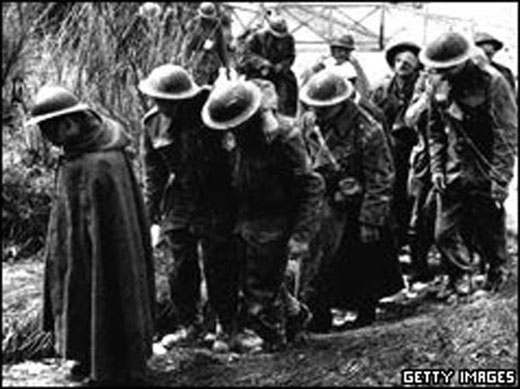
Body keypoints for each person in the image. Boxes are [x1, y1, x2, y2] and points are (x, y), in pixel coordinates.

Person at [27, 85, 155, 386]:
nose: (51, 139)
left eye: (51, 130)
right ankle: (87, 354)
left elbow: (106, 217)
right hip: (78, 243)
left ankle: (111, 363)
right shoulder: (86, 148)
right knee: (82, 283)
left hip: (103, 245)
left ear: (69, 122)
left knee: (107, 281)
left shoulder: (99, 161)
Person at [202, 78, 325, 352]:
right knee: (245, 279)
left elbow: (311, 185)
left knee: (260, 288)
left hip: (274, 219)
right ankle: (293, 316)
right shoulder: (230, 135)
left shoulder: (283, 135)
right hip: (244, 216)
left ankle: (272, 345)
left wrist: (301, 235)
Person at [299, 71, 404, 332]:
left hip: (357, 205)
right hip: (323, 204)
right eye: (316, 107)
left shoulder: (367, 129)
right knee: (317, 261)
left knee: (362, 260)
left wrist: (371, 219)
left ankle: (364, 314)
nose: (319, 112)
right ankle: (318, 315)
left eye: (325, 108)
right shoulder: (308, 123)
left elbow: (381, 177)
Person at [139, 64, 236, 345]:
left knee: (219, 262)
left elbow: (237, 153)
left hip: (217, 195)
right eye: (157, 100)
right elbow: (153, 175)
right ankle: (188, 325)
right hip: (180, 196)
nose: (162, 106)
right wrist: (147, 217)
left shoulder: (213, 109)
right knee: (178, 264)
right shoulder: (153, 123)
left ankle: (225, 325)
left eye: (168, 102)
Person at [419, 31, 517, 296]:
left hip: (483, 168)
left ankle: (498, 272)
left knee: (489, 228)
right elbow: (435, 130)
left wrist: (500, 178)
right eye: (439, 68)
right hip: (452, 169)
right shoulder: (437, 83)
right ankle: (460, 275)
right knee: (443, 233)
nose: (443, 73)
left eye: (449, 67)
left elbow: (507, 134)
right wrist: (437, 167)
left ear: (463, 62)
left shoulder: (492, 82)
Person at [371, 40, 423, 252]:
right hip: (392, 144)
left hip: (418, 142)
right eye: (399, 61)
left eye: (408, 62)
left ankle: (413, 236)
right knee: (394, 189)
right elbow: (372, 115)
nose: (402, 65)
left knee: (415, 192)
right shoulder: (383, 87)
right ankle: (397, 237)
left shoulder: (422, 86)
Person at [239, 10, 298, 116]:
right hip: (258, 73)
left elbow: (291, 56)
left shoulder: (289, 39)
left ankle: (286, 114)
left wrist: (283, 65)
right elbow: (246, 55)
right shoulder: (256, 37)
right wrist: (262, 63)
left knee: (290, 87)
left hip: (279, 73)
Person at [302, 34, 371, 99]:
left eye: (347, 51)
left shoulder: (351, 68)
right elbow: (304, 88)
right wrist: (318, 67)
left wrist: (357, 67)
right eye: (339, 50)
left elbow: (365, 92)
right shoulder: (320, 62)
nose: (343, 54)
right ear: (332, 49)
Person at [180, 2, 230, 85]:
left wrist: (226, 65)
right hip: (198, 62)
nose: (207, 20)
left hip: (212, 63)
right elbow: (187, 46)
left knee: (211, 87)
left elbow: (222, 46)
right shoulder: (194, 24)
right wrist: (185, 64)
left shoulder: (216, 25)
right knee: (198, 86)